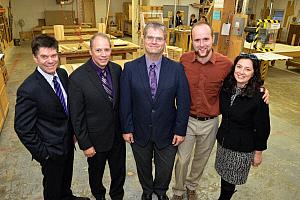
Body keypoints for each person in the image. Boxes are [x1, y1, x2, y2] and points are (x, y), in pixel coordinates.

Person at [171, 22, 269, 200]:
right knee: (183, 160)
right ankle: (178, 191)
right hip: (186, 120)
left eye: (206, 39)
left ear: (212, 39)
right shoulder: (184, 60)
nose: (202, 44)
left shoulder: (225, 64)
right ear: (191, 41)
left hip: (210, 123)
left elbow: (243, 77)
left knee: (201, 159)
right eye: (197, 40)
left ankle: (191, 186)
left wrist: (262, 88)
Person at [120, 22, 190, 200]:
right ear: (143, 39)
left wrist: (180, 130)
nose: (154, 42)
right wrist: (127, 128)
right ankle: (147, 192)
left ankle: (160, 192)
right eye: (150, 37)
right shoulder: (130, 68)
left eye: (159, 38)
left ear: (165, 41)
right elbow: (125, 101)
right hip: (139, 131)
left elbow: (183, 102)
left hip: (167, 132)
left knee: (164, 169)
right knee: (143, 167)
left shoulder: (176, 69)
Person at [14, 34, 89, 200]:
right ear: (35, 58)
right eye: (44, 57)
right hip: (50, 150)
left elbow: (65, 109)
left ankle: (67, 196)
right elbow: (22, 128)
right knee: (52, 188)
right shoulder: (28, 89)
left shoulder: (61, 74)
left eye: (54, 55)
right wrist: (44, 155)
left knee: (65, 179)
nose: (50, 61)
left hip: (68, 143)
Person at [68, 33, 125, 200]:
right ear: (90, 51)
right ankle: (99, 196)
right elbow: (76, 116)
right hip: (95, 141)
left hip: (116, 137)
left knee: (119, 173)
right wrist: (85, 144)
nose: (103, 54)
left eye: (107, 49)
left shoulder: (116, 70)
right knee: (96, 175)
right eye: (98, 50)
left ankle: (117, 196)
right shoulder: (77, 78)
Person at [215, 53, 270, 200]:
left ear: (254, 73)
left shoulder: (258, 96)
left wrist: (258, 152)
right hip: (224, 142)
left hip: (240, 148)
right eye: (239, 67)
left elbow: (263, 127)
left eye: (247, 69)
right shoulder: (228, 88)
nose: (241, 72)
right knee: (224, 177)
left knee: (229, 182)